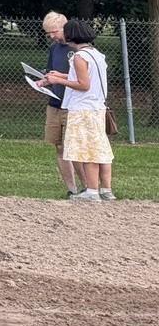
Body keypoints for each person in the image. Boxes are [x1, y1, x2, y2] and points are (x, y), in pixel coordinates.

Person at [41, 20, 114, 201]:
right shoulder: (96, 54)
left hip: (83, 109)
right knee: (100, 148)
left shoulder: (79, 57)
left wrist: (59, 81)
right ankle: (106, 190)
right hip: (96, 107)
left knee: (86, 150)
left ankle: (91, 191)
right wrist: (61, 74)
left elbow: (83, 84)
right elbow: (86, 77)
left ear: (71, 35)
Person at [39, 12, 79, 196]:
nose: (51, 36)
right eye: (48, 33)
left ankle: (89, 188)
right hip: (54, 103)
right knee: (60, 147)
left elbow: (83, 78)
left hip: (73, 105)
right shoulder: (54, 49)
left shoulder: (77, 48)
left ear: (65, 27)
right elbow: (50, 72)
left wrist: (59, 78)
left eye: (54, 32)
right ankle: (72, 189)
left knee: (75, 149)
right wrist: (44, 80)